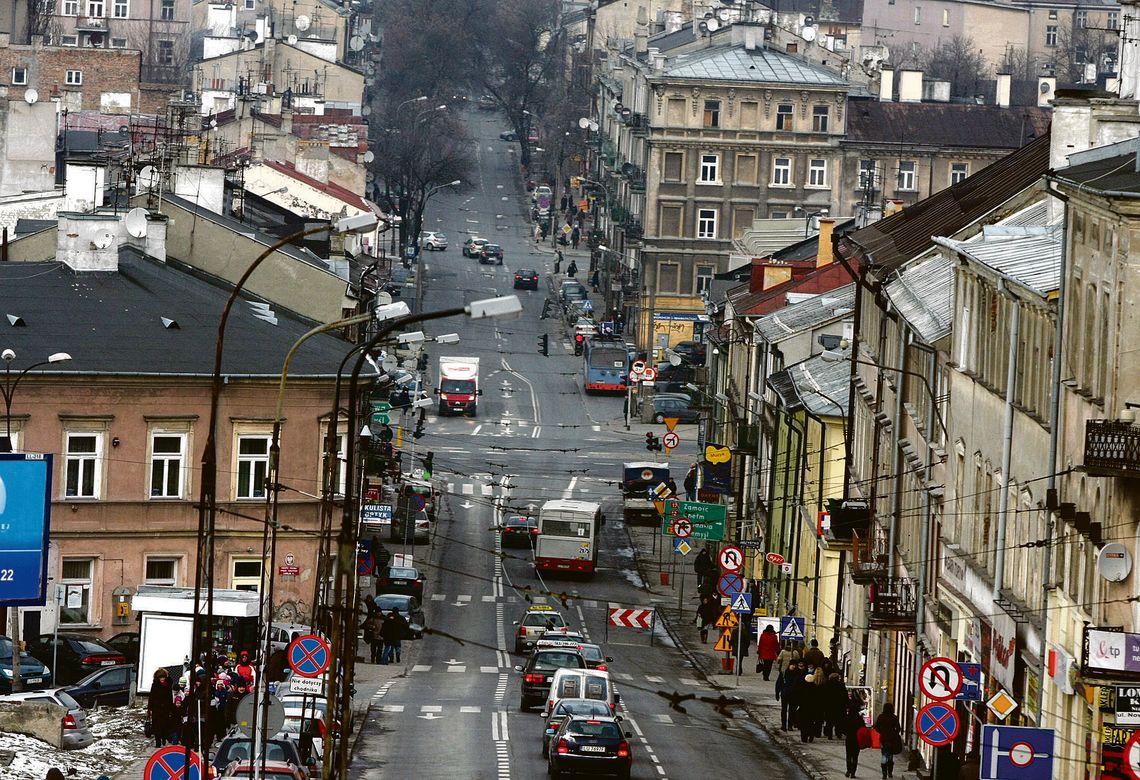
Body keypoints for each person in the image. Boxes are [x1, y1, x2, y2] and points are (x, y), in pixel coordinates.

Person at [148, 667, 178, 747]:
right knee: (156, 726)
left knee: (164, 725)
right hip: (156, 708)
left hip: (165, 708)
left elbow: (169, 697)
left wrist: (171, 707)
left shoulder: (168, 685)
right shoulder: (155, 685)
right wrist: (150, 708)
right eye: (161, 677)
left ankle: (164, 738)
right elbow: (151, 696)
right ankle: (158, 742)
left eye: (163, 677)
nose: (162, 679)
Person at [873, 702, 903, 779]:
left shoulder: (881, 717)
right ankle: (890, 772)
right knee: (890, 756)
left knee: (884, 754)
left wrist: (881, 731)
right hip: (892, 739)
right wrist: (894, 733)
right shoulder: (894, 717)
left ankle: (884, 774)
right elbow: (898, 728)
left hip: (883, 739)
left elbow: (876, 727)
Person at [822, 671, 849, 739]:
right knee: (839, 721)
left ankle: (829, 735)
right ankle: (838, 734)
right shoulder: (841, 685)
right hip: (839, 705)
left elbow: (824, 696)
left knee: (829, 721)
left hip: (829, 705)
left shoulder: (826, 685)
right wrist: (847, 703)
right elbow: (844, 695)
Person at [843, 701, 865, 777]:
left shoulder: (847, 718)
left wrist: (847, 733)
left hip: (849, 739)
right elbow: (863, 729)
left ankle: (848, 770)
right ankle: (853, 772)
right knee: (855, 756)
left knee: (849, 755)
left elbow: (843, 729)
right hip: (857, 739)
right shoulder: (859, 719)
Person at [798, 673, 820, 742]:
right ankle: (811, 735)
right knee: (811, 723)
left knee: (803, 724)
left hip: (804, 708)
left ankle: (804, 737)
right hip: (812, 709)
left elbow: (798, 697)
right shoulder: (815, 688)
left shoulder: (802, 687)